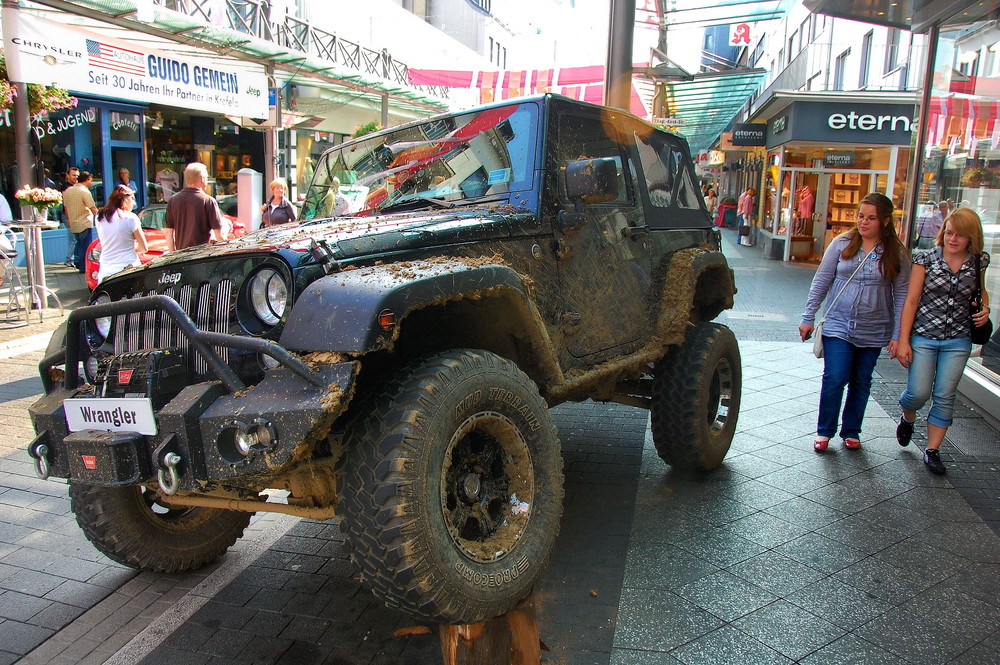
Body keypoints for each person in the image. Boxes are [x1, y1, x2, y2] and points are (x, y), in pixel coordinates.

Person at [799, 193, 910, 451]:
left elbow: (903, 294)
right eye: (861, 216)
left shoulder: (895, 252)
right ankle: (824, 430)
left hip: (875, 327)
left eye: (871, 218)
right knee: (835, 377)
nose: (864, 222)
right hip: (839, 324)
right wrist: (808, 317)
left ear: (884, 221)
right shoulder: (842, 243)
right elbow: (821, 281)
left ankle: (851, 430)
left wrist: (897, 334)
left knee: (861, 380)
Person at [895, 208, 991, 474]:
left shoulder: (978, 260)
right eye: (949, 232)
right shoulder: (925, 258)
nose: (952, 239)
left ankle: (933, 450)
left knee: (944, 396)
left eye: (960, 235)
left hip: (958, 339)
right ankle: (907, 415)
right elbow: (911, 300)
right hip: (924, 336)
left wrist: (985, 309)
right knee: (918, 393)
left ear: (971, 237)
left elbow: (980, 292)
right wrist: (903, 340)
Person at [164, 163, 225, 251]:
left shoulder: (173, 200)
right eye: (207, 178)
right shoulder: (208, 201)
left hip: (181, 257)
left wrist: (172, 255)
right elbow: (219, 236)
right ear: (201, 179)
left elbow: (168, 234)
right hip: (201, 257)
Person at [94, 185, 148, 284]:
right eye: (132, 198)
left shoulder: (99, 216)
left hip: (106, 270)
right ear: (124, 199)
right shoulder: (130, 218)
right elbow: (144, 247)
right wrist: (132, 245)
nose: (134, 203)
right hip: (128, 269)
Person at [62, 171, 98, 272]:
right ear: (87, 180)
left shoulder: (68, 190)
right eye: (91, 180)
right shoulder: (85, 191)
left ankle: (77, 262)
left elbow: (66, 207)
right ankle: (83, 267)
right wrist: (102, 218)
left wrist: (69, 219)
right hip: (84, 222)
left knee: (78, 244)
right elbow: (92, 207)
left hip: (74, 222)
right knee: (85, 246)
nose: (91, 183)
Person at [59, 167, 79, 266]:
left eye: (77, 175)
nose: (76, 177)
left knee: (75, 238)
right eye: (73, 175)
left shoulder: (76, 186)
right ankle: (69, 259)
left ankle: (73, 258)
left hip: (75, 215)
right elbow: (66, 203)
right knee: (73, 238)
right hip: (68, 215)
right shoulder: (66, 187)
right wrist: (69, 218)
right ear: (68, 176)